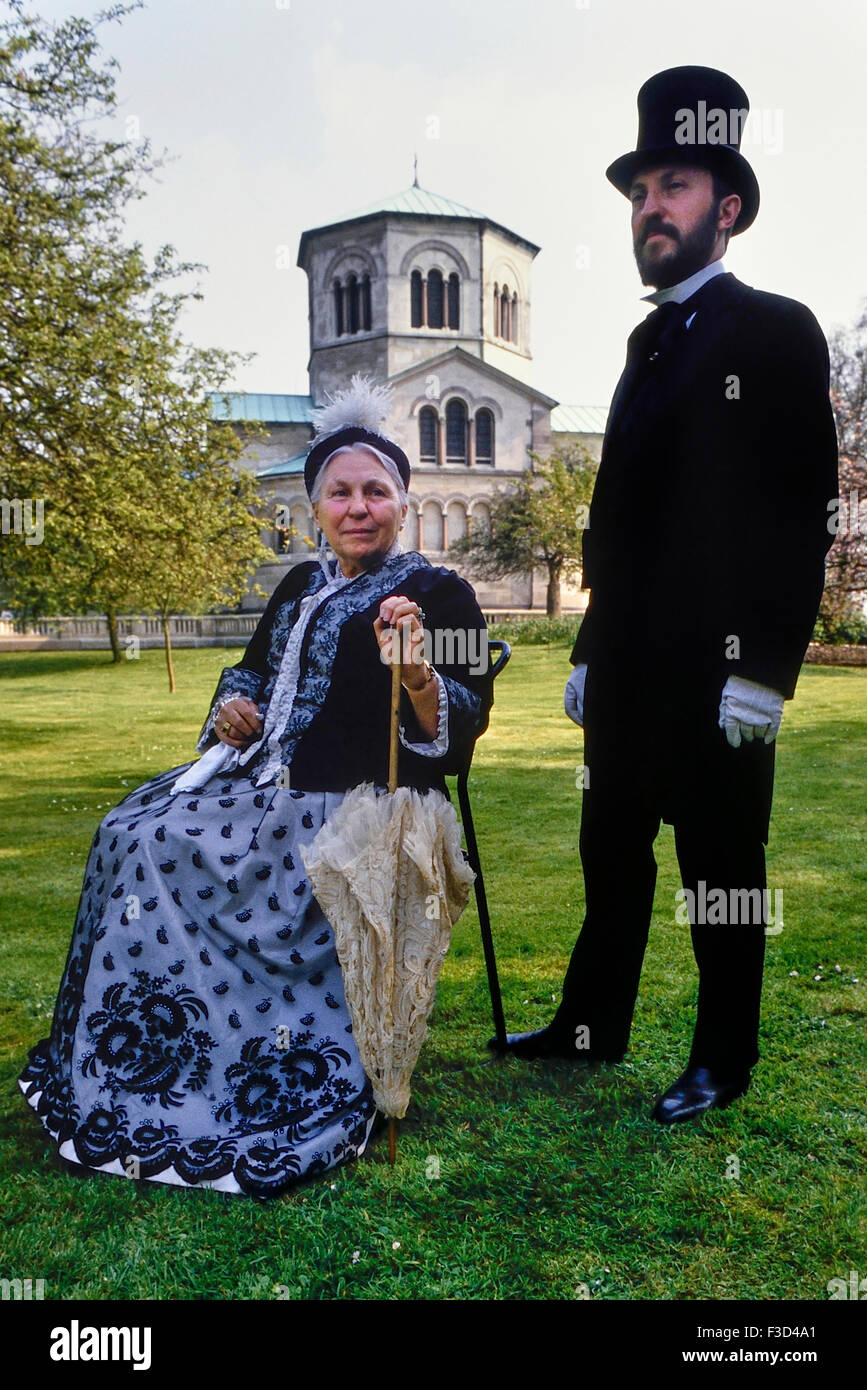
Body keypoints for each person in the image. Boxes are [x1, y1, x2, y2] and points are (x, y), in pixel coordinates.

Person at [20, 376, 492, 1195]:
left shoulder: (440, 592)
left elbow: (460, 725)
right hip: (258, 778)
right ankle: (152, 1059)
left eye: (375, 492)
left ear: (403, 504)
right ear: (315, 509)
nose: (357, 507)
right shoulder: (297, 587)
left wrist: (417, 675)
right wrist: (232, 707)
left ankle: (250, 1068)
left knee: (161, 845)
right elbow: (249, 671)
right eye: (338, 493)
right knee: (127, 830)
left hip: (357, 799)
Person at [494, 66, 838, 1123]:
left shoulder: (777, 329)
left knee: (721, 870)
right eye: (642, 189)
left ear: (725, 209)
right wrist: (592, 646)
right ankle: (591, 1030)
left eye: (675, 185)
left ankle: (721, 1058)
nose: (651, 206)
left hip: (723, 671)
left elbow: (802, 510)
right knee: (611, 853)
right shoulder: (646, 342)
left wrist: (767, 672)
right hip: (632, 667)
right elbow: (617, 521)